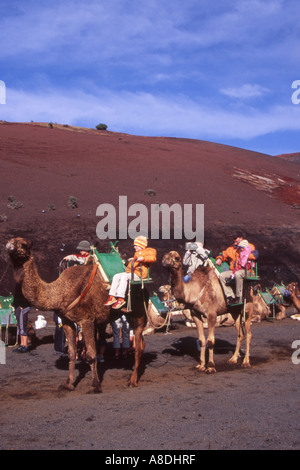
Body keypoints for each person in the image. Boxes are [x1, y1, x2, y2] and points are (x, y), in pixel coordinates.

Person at [104, 236, 157, 309]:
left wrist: (144, 258)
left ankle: (121, 298)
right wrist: (133, 259)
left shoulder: (150, 251)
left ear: (141, 245)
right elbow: (137, 258)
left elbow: (153, 258)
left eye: (136, 245)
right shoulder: (137, 253)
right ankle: (112, 296)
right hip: (132, 272)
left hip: (140, 274)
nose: (134, 247)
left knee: (124, 277)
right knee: (116, 276)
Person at [216, 231, 256, 304]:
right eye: (233, 238)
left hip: (247, 270)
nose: (234, 240)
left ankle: (238, 297)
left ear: (241, 238)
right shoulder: (231, 248)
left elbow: (255, 254)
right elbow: (224, 254)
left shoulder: (248, 246)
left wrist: (245, 255)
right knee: (221, 276)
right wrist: (219, 258)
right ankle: (230, 296)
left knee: (238, 274)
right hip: (234, 270)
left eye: (235, 238)